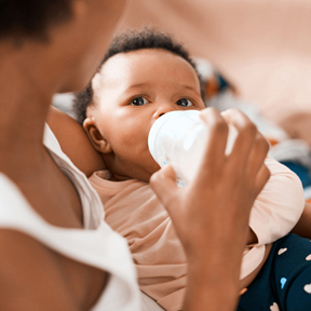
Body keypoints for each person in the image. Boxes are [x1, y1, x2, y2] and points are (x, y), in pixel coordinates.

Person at [0, 1, 271, 310]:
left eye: (183, 101)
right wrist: (214, 253)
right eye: (138, 100)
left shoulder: (37, 126)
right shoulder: (12, 251)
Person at [48, 29, 311, 311]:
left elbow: (287, 189)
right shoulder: (94, 195)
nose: (167, 111)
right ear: (98, 136)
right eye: (138, 100)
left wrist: (239, 228)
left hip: (278, 263)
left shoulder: (219, 160)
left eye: (184, 102)